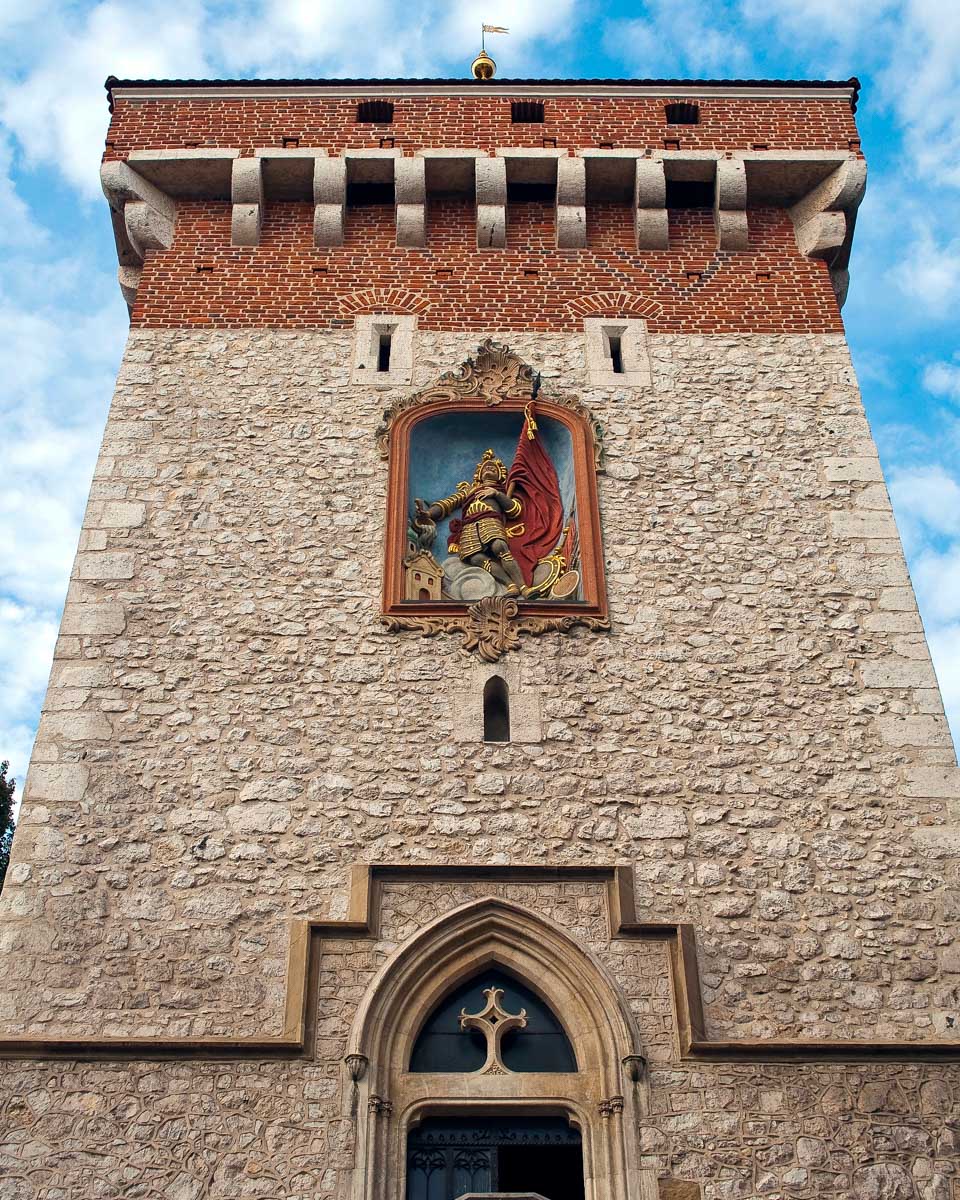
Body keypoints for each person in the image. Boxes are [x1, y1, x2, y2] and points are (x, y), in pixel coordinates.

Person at [415, 449, 532, 597]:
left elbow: (515, 510)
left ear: (500, 475)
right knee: (476, 558)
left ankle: (524, 587)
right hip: (470, 527)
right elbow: (449, 503)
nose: (488, 469)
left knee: (499, 547)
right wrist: (429, 514)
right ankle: (510, 585)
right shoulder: (469, 490)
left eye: (492, 468)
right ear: (479, 474)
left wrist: (496, 494)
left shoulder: (501, 490)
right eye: (485, 468)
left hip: (490, 521)